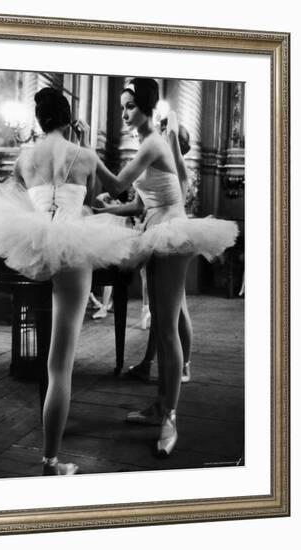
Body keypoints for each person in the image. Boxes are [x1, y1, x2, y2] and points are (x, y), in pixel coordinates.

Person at [0, 87, 139, 475]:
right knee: (60, 363)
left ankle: (50, 455)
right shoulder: (83, 154)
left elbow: (20, 194)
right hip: (73, 248)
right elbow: (118, 187)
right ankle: (51, 460)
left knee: (42, 337)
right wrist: (82, 144)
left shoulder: (24, 157)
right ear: (70, 119)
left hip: (33, 244)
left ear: (39, 121)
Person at [79, 77, 238, 456]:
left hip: (169, 235)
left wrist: (89, 153)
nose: (124, 113)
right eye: (121, 107)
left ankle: (169, 417)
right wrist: (107, 209)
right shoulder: (150, 144)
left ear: (148, 107)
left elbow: (118, 182)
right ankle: (159, 404)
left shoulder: (152, 142)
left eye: (129, 106)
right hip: (156, 230)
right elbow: (139, 202)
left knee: (165, 329)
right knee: (164, 323)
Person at [126, 118, 193, 384]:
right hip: (154, 235)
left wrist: (171, 128)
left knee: (178, 310)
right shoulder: (160, 164)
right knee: (161, 308)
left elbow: (174, 134)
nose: (161, 134)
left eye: (165, 133)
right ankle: (148, 361)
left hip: (171, 238)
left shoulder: (177, 167)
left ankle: (184, 365)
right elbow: (140, 203)